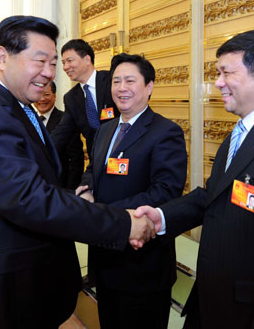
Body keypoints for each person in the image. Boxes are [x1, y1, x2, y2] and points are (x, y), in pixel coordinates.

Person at [0, 15, 156, 329]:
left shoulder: (13, 107)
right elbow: (29, 199)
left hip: (25, 281)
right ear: (3, 57)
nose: (49, 73)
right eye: (39, 61)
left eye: (54, 63)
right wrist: (124, 224)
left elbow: (35, 184)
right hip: (2, 290)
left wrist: (76, 195)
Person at [135, 30, 254, 328]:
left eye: (226, 73)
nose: (218, 83)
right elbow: (213, 196)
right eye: (217, 73)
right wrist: (161, 217)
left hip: (251, 312)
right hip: (212, 300)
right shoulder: (238, 134)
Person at [76, 53, 187, 329]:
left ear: (149, 86)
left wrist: (101, 211)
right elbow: (95, 170)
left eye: (129, 80)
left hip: (142, 266)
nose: (121, 88)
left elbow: (165, 191)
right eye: (116, 81)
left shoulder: (165, 132)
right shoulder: (105, 129)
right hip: (105, 259)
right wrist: (87, 187)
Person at [51, 39, 119, 157]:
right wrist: (39, 152)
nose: (65, 67)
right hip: (97, 158)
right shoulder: (71, 98)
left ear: (87, 59)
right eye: (63, 63)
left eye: (69, 61)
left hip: (124, 152)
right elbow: (61, 133)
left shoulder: (111, 81)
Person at [34, 81, 84, 190]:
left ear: (54, 96)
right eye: (39, 94)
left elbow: (76, 160)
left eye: (46, 94)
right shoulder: (28, 120)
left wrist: (70, 191)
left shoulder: (66, 120)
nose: (42, 99)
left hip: (60, 188)